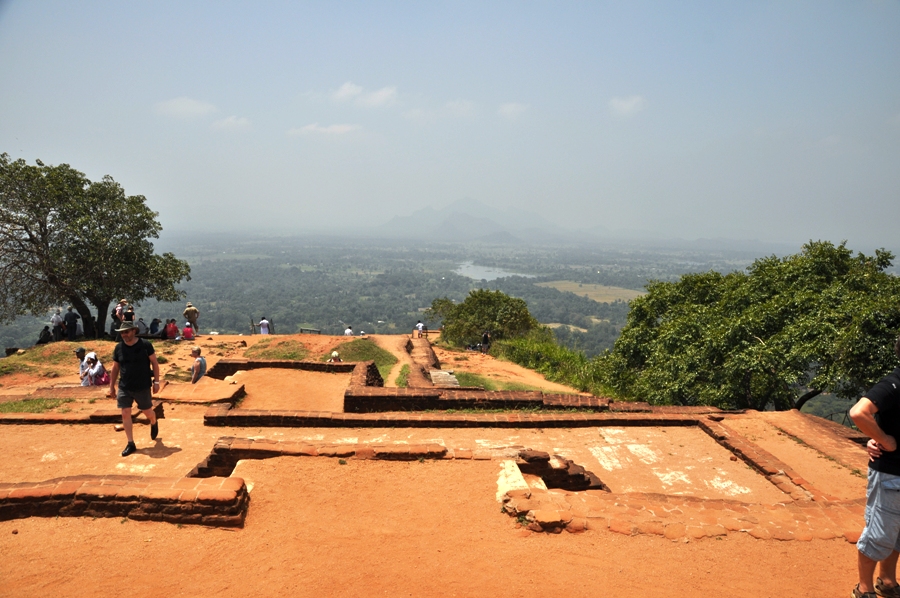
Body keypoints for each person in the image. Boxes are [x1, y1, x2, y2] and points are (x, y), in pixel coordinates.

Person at [850, 335, 900, 598]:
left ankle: (887, 581)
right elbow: (859, 412)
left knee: (897, 535)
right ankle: (864, 589)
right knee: (879, 533)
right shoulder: (894, 383)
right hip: (892, 474)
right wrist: (884, 440)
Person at [107, 320, 160, 457]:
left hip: (142, 385)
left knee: (147, 411)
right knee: (125, 412)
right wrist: (111, 386)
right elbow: (115, 367)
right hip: (125, 386)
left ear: (133, 331)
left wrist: (157, 381)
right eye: (122, 332)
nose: (124, 335)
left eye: (126, 332)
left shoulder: (145, 345)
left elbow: (154, 362)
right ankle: (131, 443)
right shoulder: (119, 348)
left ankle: (153, 421)